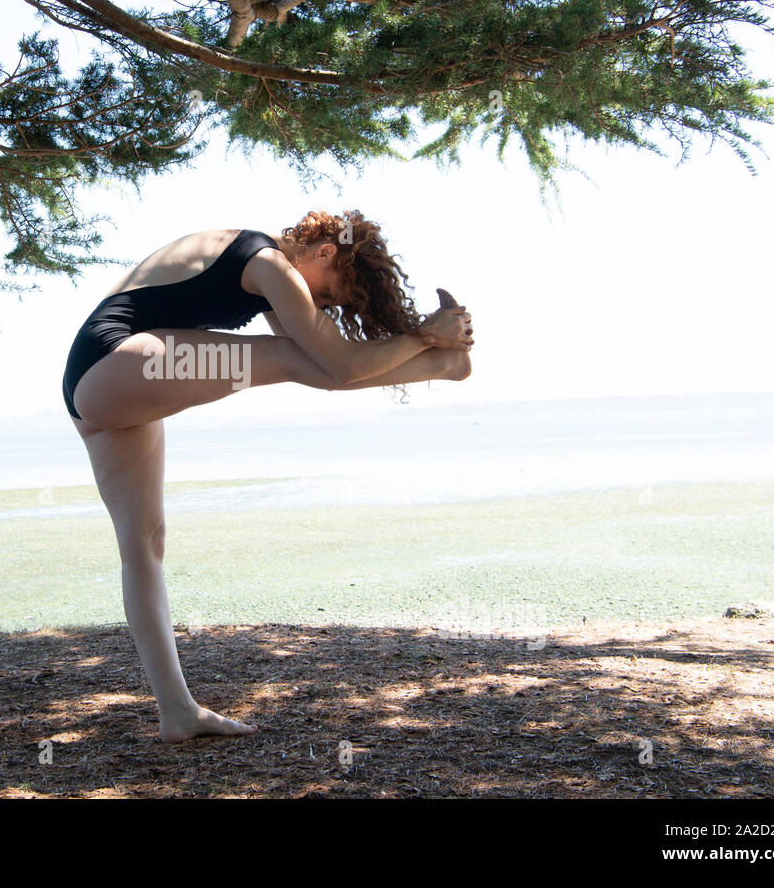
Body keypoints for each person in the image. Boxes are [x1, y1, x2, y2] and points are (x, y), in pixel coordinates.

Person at [61, 209, 474, 742]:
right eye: (330, 295)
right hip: (116, 359)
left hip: (102, 389)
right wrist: (427, 341)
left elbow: (329, 365)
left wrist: (423, 341)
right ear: (326, 251)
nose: (324, 307)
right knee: (288, 356)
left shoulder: (267, 275)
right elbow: (338, 365)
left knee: (144, 544)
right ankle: (449, 369)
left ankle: (177, 712)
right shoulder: (268, 261)